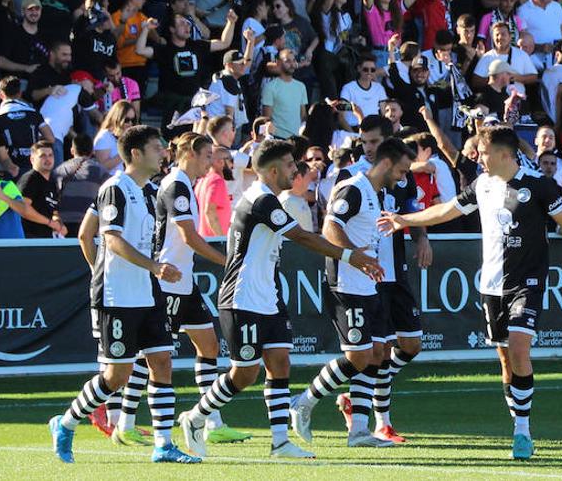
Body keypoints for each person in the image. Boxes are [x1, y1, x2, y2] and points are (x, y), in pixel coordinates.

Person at [379, 124, 562, 460]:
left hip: (528, 282)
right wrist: (403, 220)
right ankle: (518, 421)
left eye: (483, 152)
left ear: (503, 154)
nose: (478, 158)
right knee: (506, 360)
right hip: (491, 286)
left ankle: (522, 432)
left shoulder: (539, 186)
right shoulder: (482, 184)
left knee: (519, 348)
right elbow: (446, 210)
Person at [176, 140, 384, 460]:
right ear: (273, 171)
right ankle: (195, 417)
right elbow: (301, 236)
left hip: (267, 297)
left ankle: (280, 442)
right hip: (241, 296)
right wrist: (349, 256)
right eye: (289, 165)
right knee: (244, 374)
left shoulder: (271, 199)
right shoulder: (261, 200)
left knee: (280, 362)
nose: (295, 170)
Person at [47, 124, 199, 464]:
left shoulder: (150, 192)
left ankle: (163, 445)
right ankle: (66, 421)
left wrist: (153, 269)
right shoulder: (115, 188)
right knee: (117, 376)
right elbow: (109, 239)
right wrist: (131, 270)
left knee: (162, 362)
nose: (163, 153)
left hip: (149, 293)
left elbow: (87, 234)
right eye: (156, 148)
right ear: (135, 153)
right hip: (118, 296)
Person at [289, 137, 417, 448]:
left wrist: (366, 263)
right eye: (401, 170)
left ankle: (359, 431)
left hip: (367, 284)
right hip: (346, 284)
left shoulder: (375, 193)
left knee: (375, 354)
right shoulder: (353, 187)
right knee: (358, 356)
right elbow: (331, 227)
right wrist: (354, 258)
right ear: (386, 163)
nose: (404, 176)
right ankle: (303, 401)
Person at [148, 132, 249, 445]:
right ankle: (120, 419)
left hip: (184, 281)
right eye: (208, 156)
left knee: (208, 346)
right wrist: (227, 261)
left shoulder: (185, 185)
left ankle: (210, 420)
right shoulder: (177, 184)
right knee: (151, 357)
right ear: (191, 152)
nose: (212, 162)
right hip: (168, 282)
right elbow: (189, 236)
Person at [16, 140, 66, 238]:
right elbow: (23, 209)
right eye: (43, 156)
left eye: (50, 155)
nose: (48, 159)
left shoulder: (52, 182)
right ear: (32, 159)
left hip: (46, 238)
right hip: (29, 238)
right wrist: (49, 222)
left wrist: (59, 224)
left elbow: (53, 211)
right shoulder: (30, 179)